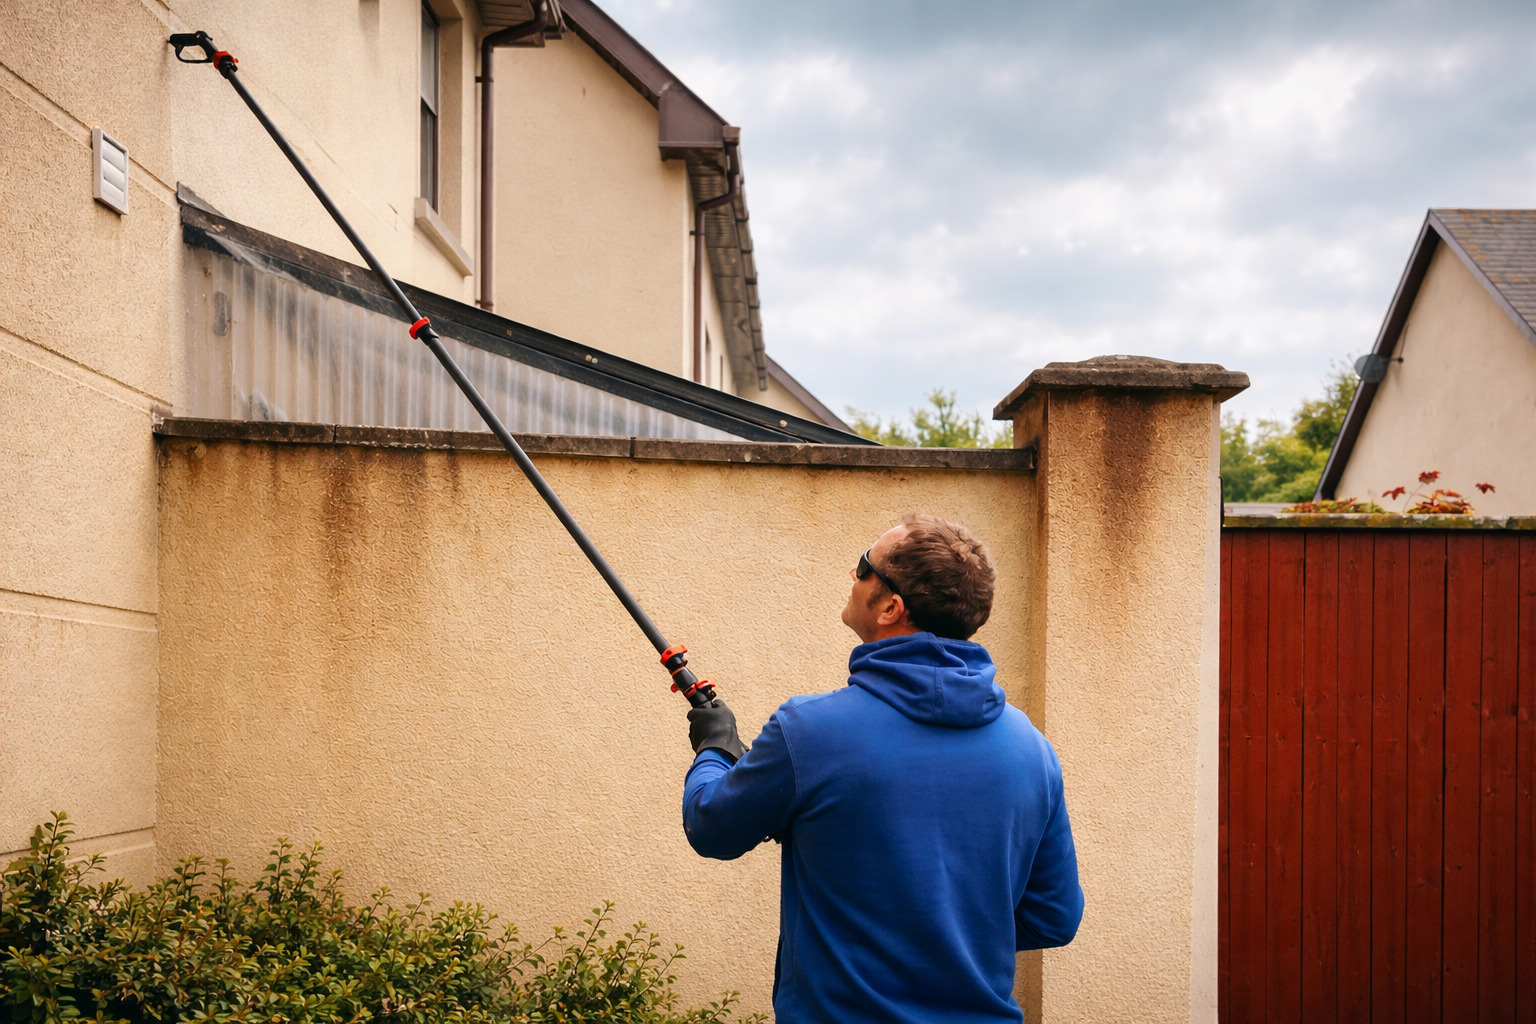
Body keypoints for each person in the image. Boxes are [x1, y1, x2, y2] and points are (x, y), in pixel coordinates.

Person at [682, 513, 1083, 1024]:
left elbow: (711, 827)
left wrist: (715, 747)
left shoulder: (809, 732)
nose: (853, 576)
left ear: (892, 607)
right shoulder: (1032, 749)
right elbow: (1054, 918)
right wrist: (950, 941)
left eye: (862, 566)